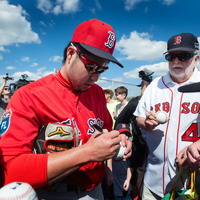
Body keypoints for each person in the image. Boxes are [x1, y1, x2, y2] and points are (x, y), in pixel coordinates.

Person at [0, 19, 132, 200]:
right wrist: (87, 152)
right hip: (53, 193)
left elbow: (108, 129)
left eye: (102, 70)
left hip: (95, 190)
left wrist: (120, 138)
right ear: (71, 53)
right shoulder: (29, 95)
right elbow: (10, 169)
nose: (96, 77)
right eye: (92, 66)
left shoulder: (98, 94)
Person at [134, 33, 200, 200]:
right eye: (171, 56)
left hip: (192, 183)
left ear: (196, 58)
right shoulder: (155, 85)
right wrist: (146, 123)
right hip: (153, 180)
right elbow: (138, 118)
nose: (176, 61)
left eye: (183, 56)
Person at [114, 70, 153, 200]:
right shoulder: (136, 102)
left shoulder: (159, 101)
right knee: (138, 182)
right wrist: (125, 135)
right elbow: (120, 121)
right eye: (143, 86)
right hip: (139, 149)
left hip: (157, 151)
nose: (144, 89)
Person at [112, 123, 133, 200]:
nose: (125, 136)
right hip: (114, 189)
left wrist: (128, 180)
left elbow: (129, 167)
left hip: (126, 190)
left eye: (127, 134)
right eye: (122, 134)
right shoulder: (111, 149)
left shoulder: (128, 150)